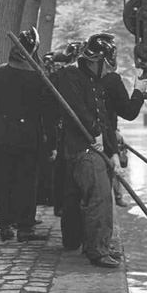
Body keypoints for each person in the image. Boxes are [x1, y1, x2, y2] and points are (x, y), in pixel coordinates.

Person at [52, 33, 120, 268]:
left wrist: (110, 145)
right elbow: (78, 109)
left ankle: (101, 243)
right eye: (106, 64)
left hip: (96, 148)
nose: (108, 69)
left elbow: (103, 116)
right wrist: (95, 132)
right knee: (98, 198)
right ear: (96, 60)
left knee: (103, 198)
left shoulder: (92, 80)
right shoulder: (71, 75)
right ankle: (96, 250)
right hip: (83, 149)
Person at [0, 27, 56, 241]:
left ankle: (5, 225)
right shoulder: (38, 77)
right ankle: (25, 227)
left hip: (4, 137)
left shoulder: (0, 72)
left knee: (5, 180)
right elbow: (47, 112)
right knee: (26, 181)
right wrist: (49, 139)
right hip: (27, 138)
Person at [99, 36, 147, 207]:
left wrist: (116, 130)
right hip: (103, 139)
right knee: (112, 165)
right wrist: (139, 91)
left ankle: (117, 195)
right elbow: (129, 111)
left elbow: (107, 111)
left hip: (96, 135)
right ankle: (116, 197)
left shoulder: (81, 78)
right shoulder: (111, 80)